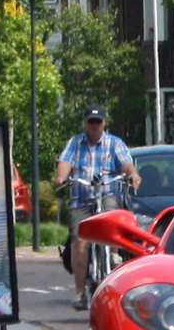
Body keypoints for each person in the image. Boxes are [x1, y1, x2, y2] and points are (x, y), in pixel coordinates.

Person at [56, 106, 136, 309]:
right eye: (91, 122)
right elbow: (65, 161)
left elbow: (126, 164)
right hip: (81, 198)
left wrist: (133, 174)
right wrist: (61, 177)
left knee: (112, 213)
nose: (94, 126)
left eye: (98, 121)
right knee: (79, 241)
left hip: (108, 192)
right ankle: (80, 292)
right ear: (85, 123)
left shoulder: (114, 143)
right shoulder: (75, 143)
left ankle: (115, 253)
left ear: (104, 122)